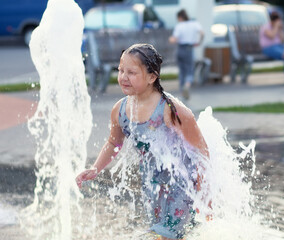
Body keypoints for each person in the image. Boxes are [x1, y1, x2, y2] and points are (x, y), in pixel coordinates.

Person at [76, 43, 210, 239]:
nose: (123, 77)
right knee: (160, 231)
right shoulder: (120, 110)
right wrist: (96, 168)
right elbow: (114, 143)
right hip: (152, 184)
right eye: (121, 70)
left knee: (168, 234)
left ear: (152, 76)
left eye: (131, 72)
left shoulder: (171, 110)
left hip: (181, 183)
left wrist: (205, 193)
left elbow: (201, 152)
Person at [169, 9, 204, 100]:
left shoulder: (179, 26)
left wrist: (171, 39)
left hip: (180, 49)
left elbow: (174, 39)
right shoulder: (194, 24)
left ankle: (182, 91)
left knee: (182, 71)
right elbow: (202, 33)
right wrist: (198, 42)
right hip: (189, 48)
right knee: (190, 70)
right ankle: (187, 85)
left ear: (180, 17)